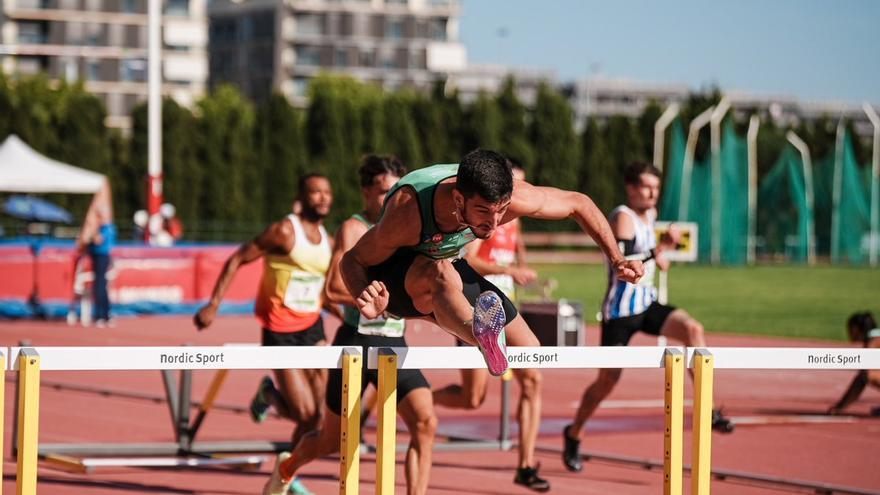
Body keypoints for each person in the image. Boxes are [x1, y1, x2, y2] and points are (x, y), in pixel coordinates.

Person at [339, 149, 643, 491]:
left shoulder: (513, 197)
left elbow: (579, 203)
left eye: (501, 212)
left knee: (528, 349)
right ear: (458, 198)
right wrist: (364, 295)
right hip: (395, 277)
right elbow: (351, 261)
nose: (493, 223)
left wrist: (617, 258)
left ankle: (480, 331)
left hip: (448, 264)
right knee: (440, 276)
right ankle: (477, 331)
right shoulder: (408, 212)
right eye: (483, 211)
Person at [264, 155, 437, 495]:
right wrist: (373, 301)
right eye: (385, 191)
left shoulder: (406, 229)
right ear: (365, 192)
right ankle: (285, 469)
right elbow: (331, 290)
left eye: (398, 191)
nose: (392, 199)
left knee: (426, 423)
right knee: (333, 440)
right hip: (356, 341)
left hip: (393, 344)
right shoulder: (353, 229)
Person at [561, 162, 733, 474]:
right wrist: (660, 249)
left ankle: (707, 410)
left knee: (693, 330)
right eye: (646, 186)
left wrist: (661, 258)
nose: (653, 192)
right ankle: (574, 433)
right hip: (620, 311)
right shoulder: (622, 217)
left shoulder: (650, 216)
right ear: (631, 187)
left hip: (648, 303)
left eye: (656, 186)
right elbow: (625, 261)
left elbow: (650, 256)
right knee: (607, 381)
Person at [194, 173, 333, 495]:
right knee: (303, 412)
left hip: (313, 328)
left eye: (327, 192)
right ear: (302, 196)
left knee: (319, 417)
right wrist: (213, 305)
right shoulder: (284, 231)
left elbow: (321, 289)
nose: (323, 198)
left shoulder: (326, 237)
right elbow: (239, 257)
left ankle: (289, 473)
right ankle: (268, 394)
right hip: (279, 329)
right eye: (315, 192)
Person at [431, 164, 543, 487]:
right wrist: (507, 273)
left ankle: (525, 464)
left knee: (533, 379)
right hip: (476, 308)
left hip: (507, 310)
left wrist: (521, 269)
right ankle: (425, 398)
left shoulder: (514, 220)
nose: (517, 193)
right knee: (472, 398)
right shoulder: (485, 219)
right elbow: (470, 260)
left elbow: (516, 256)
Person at [827, 311, 880, 416]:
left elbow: (864, 376)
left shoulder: (874, 341)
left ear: (856, 328)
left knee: (867, 374)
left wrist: (840, 407)